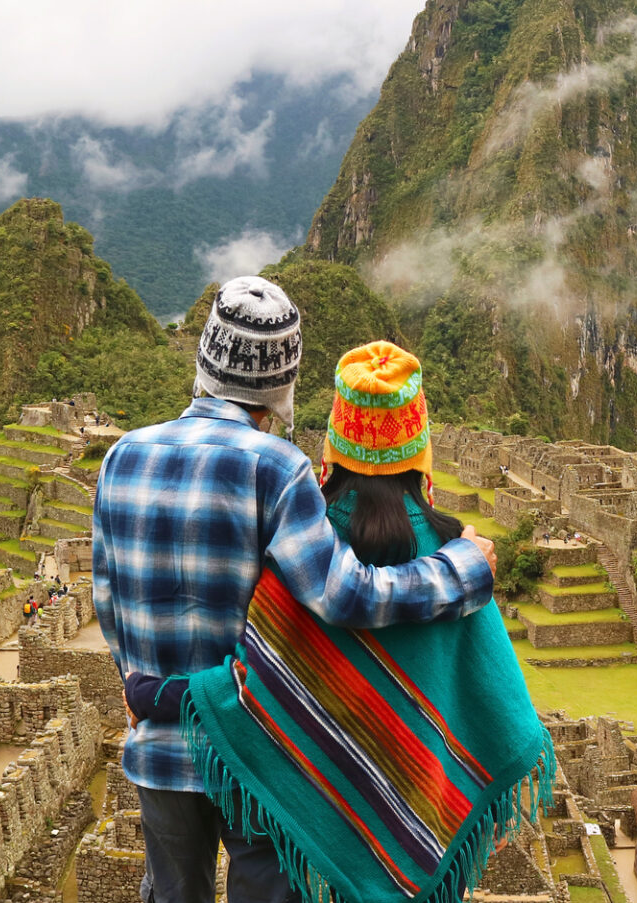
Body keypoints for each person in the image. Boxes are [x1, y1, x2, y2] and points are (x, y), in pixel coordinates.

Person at [95, 284, 499, 903]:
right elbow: (344, 596)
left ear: (203, 363)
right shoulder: (276, 468)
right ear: (281, 388)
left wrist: (140, 685)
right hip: (255, 751)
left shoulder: (121, 456)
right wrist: (462, 569)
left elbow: (108, 598)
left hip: (156, 743)